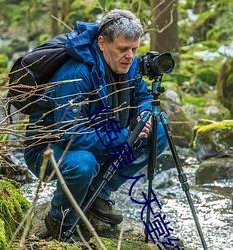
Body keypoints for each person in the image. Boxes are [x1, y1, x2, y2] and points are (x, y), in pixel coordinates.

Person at [24, 9, 168, 241]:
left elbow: (142, 96)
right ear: (102, 43)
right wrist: (126, 135)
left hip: (102, 137)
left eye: (134, 49)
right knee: (83, 164)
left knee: (158, 132)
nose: (130, 56)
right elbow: (69, 134)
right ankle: (59, 221)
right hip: (50, 150)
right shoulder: (76, 74)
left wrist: (144, 114)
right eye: (123, 49)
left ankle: (98, 193)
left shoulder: (128, 64)